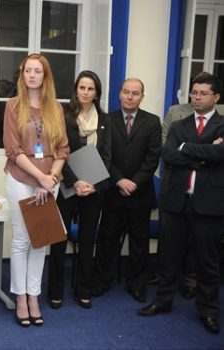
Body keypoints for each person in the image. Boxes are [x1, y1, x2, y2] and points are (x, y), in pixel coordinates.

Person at [138, 73, 223, 335]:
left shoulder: (222, 126)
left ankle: (208, 311)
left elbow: (220, 154)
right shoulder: (179, 125)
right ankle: (163, 301)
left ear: (216, 97)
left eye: (203, 93)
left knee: (207, 262)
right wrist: (204, 154)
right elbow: (169, 155)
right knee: (168, 257)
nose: (196, 98)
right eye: (194, 93)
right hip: (176, 201)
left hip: (209, 204)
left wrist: (188, 149)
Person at [3, 53, 69, 327]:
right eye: (27, 71)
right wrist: (40, 177)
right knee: (21, 240)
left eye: (37, 71)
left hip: (49, 180)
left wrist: (51, 177)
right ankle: (20, 297)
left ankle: (34, 296)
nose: (32, 75)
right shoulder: (13, 106)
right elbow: (13, 150)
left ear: (45, 76)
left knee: (39, 240)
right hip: (21, 178)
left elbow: (63, 148)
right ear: (22, 75)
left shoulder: (56, 108)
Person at [92, 78, 162, 303]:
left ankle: (137, 284)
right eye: (126, 92)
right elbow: (104, 156)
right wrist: (120, 180)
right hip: (113, 191)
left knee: (139, 242)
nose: (130, 96)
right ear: (119, 94)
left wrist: (135, 182)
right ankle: (102, 280)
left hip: (140, 194)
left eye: (135, 93)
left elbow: (153, 158)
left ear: (142, 96)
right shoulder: (107, 120)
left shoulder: (152, 122)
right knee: (107, 238)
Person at [47, 70, 111, 310]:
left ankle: (83, 289)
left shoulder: (106, 121)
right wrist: (75, 182)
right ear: (76, 90)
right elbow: (57, 152)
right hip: (67, 186)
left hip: (94, 190)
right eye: (81, 88)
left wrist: (92, 183)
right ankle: (55, 291)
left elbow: (107, 156)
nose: (85, 92)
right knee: (58, 239)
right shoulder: (63, 116)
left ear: (97, 93)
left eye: (90, 88)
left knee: (86, 241)